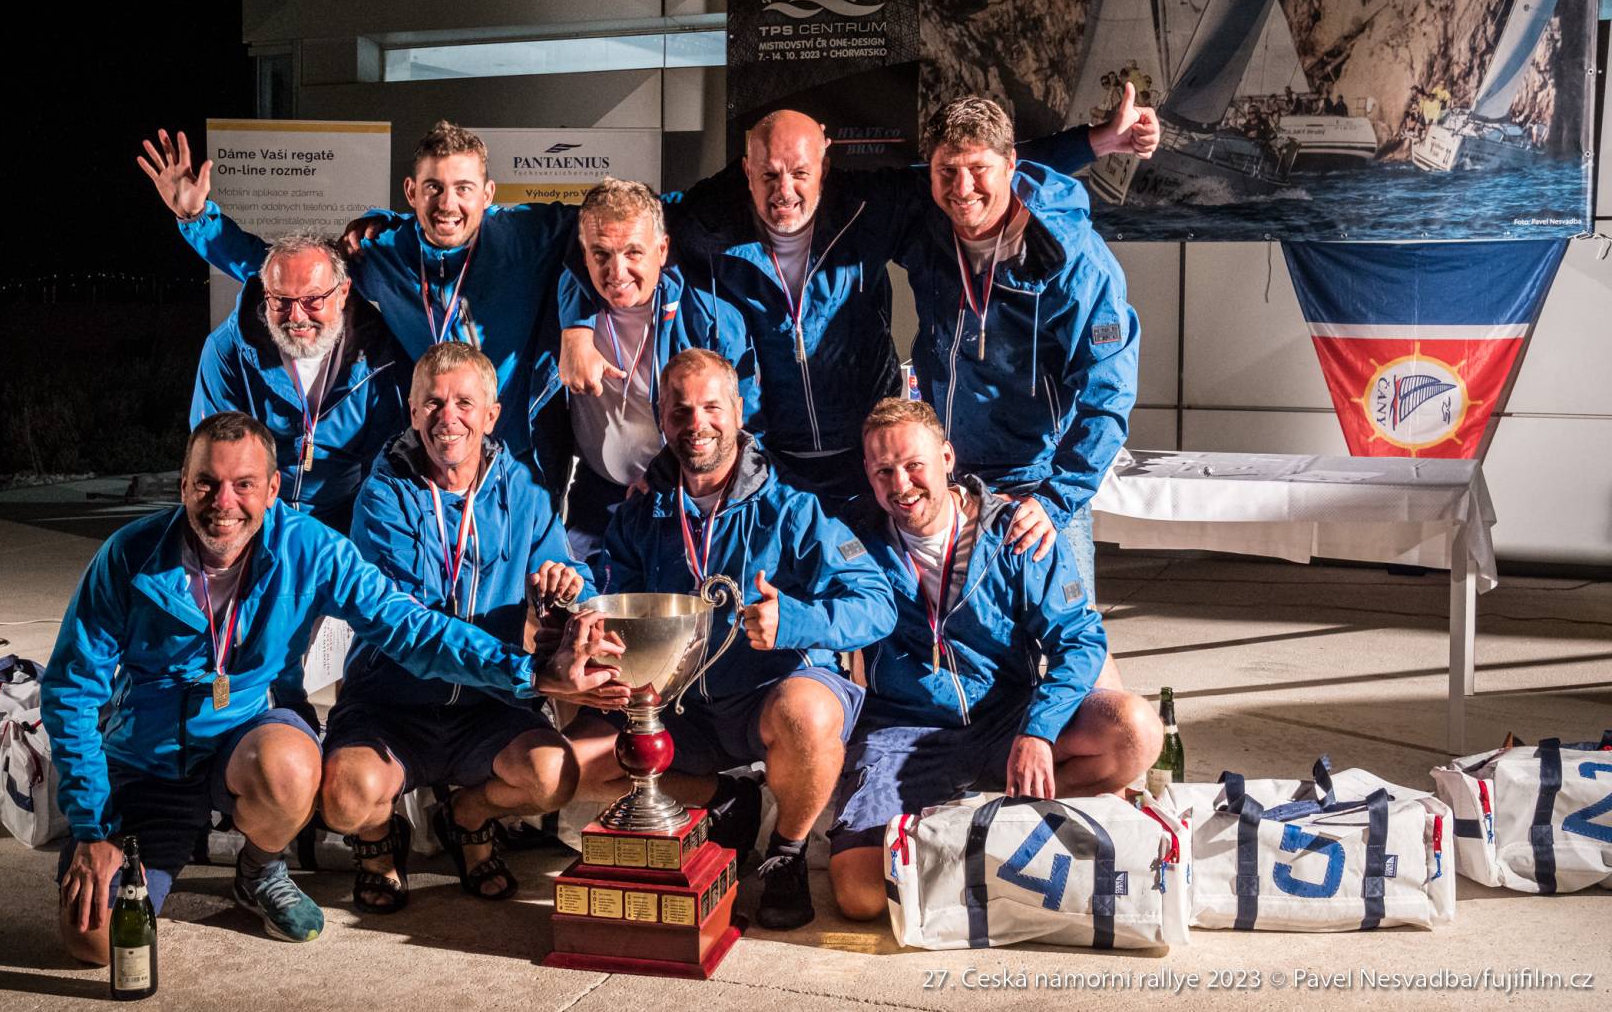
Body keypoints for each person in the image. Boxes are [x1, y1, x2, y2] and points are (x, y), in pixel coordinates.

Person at [41, 411, 623, 961]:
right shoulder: (129, 555)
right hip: (149, 765)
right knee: (97, 945)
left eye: (244, 485)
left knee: (293, 767)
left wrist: (528, 672)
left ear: (273, 489)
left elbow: (408, 627)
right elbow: (71, 692)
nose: (224, 503)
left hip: (247, 737)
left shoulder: (310, 548)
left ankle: (260, 870)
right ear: (183, 485)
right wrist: (91, 827)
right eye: (207, 484)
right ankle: (159, 843)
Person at [559, 89, 1155, 507]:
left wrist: (1096, 142)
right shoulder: (707, 220)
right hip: (769, 462)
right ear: (746, 169)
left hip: (865, 456)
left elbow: (982, 169)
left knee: (874, 607)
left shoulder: (871, 206)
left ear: (825, 160)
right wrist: (578, 324)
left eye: (800, 172)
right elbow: (605, 230)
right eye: (768, 175)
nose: (784, 191)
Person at [564, 348, 896, 931]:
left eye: (712, 408)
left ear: (739, 411)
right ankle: (723, 797)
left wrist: (794, 621)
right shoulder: (640, 514)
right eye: (680, 410)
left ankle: (786, 852)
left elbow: (877, 603)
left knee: (809, 715)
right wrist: (577, 605)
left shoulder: (794, 508)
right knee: (574, 765)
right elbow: (610, 590)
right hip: (677, 705)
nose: (697, 424)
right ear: (661, 417)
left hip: (767, 696)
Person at [826, 399, 1161, 922]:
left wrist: (1039, 731)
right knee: (862, 896)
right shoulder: (850, 536)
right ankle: (990, 823)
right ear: (867, 473)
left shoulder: (1014, 531)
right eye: (884, 471)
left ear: (947, 457)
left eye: (914, 465)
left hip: (1007, 721)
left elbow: (1079, 639)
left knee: (1135, 730)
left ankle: (970, 819)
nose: (902, 485)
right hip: (903, 733)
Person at [320, 342, 594, 909]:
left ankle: (466, 816)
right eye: (434, 403)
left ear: (491, 415)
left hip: (488, 705)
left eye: (465, 403)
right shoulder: (382, 498)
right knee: (346, 799)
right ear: (413, 412)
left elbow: (573, 573)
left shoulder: (524, 491)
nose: (449, 417)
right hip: (391, 705)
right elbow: (412, 629)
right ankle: (378, 836)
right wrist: (527, 671)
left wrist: (571, 591)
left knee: (553, 775)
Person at [140, 121, 577, 469]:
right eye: (433, 188)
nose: (448, 204)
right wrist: (199, 218)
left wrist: (581, 330)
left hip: (523, 456)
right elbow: (293, 274)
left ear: (487, 194)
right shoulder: (383, 250)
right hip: (435, 451)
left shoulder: (526, 235)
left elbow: (605, 230)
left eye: (463, 188)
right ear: (411, 192)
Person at [900, 96, 1139, 601]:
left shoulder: (1074, 260)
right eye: (947, 171)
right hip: (948, 478)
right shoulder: (924, 224)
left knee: (1065, 636)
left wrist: (1056, 500)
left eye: (978, 169)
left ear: (1011, 164)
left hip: (1037, 486)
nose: (962, 188)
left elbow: (1108, 394)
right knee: (954, 633)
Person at [552, 178, 756, 563]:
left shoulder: (709, 318)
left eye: (633, 252)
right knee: (582, 595)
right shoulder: (565, 309)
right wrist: (574, 332)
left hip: (680, 496)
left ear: (662, 250)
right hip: (596, 498)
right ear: (583, 252)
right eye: (601, 254)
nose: (617, 271)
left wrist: (666, 474)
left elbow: (744, 425)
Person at [186, 228, 406, 533]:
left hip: (344, 522)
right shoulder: (226, 350)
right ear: (266, 293)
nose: (297, 316)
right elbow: (219, 461)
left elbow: (382, 474)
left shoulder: (381, 356)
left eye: (313, 299)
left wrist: (357, 548)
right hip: (258, 520)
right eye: (281, 300)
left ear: (343, 292)